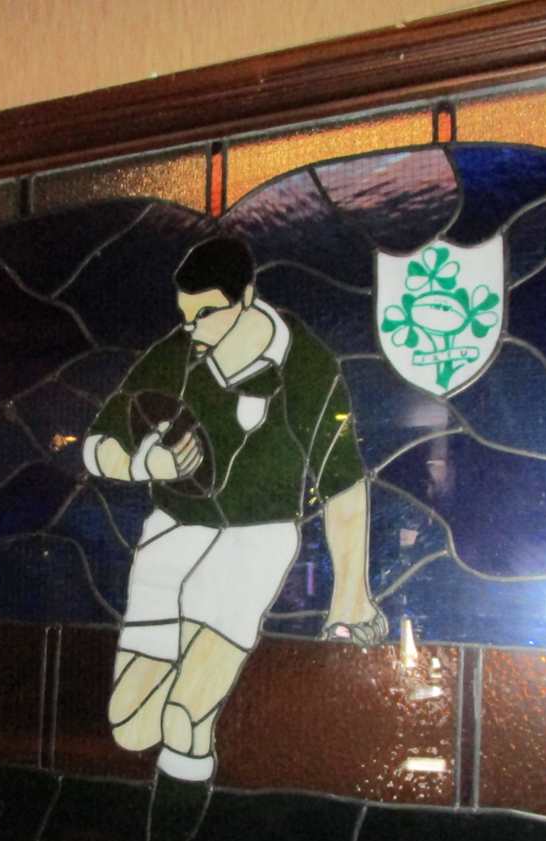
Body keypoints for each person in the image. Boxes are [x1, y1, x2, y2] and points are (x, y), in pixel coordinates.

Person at [82, 235, 385, 784]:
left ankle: (192, 816)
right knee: (130, 728)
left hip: (254, 541)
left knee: (184, 718)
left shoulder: (304, 362)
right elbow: (98, 442)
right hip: (172, 539)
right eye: (185, 315)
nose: (192, 328)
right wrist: (142, 464)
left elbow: (342, 483)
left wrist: (350, 595)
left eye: (204, 314)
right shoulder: (177, 351)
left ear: (244, 297)